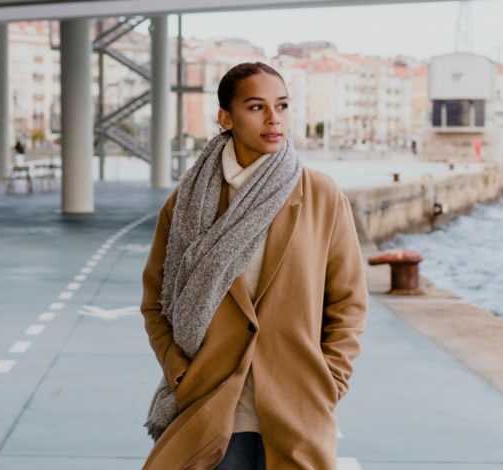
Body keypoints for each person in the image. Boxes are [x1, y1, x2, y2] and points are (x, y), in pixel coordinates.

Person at [140, 62, 368, 469]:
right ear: (225, 117)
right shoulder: (188, 203)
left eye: (281, 106)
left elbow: (348, 302)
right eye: (256, 107)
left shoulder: (320, 195)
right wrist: (178, 371)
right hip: (210, 401)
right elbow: (156, 303)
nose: (273, 119)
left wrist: (331, 381)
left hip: (298, 404)